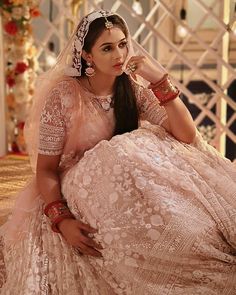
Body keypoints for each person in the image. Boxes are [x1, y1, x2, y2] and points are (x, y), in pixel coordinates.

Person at [0, 9, 235, 295]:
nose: (119, 55)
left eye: (123, 44)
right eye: (107, 48)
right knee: (123, 150)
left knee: (153, 151)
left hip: (127, 183)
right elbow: (46, 170)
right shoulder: (63, 97)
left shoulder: (130, 88)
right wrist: (62, 221)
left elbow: (186, 135)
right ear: (87, 55)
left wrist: (158, 80)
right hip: (83, 189)